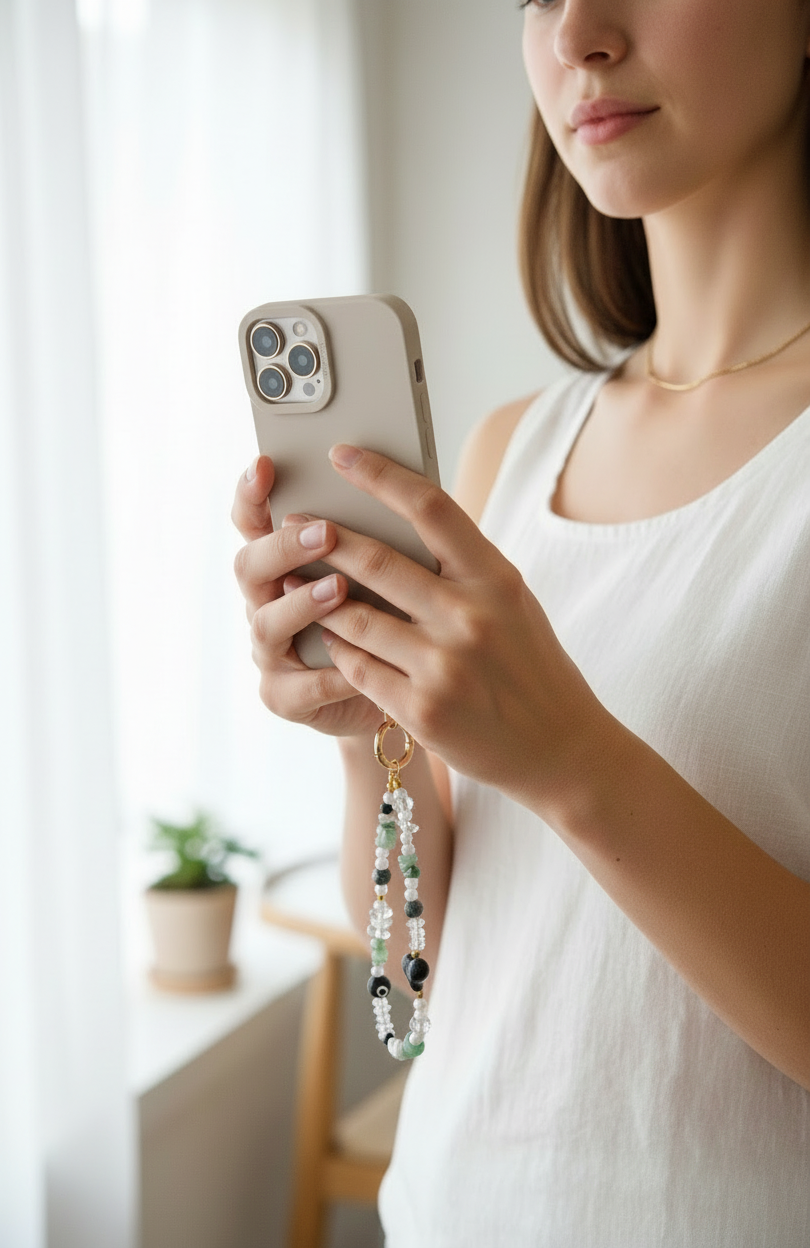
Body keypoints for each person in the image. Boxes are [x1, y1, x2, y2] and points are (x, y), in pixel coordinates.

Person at [232, 0, 810, 1242]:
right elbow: (405, 982)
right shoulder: (510, 453)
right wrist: (364, 735)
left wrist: (574, 761)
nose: (578, 35)